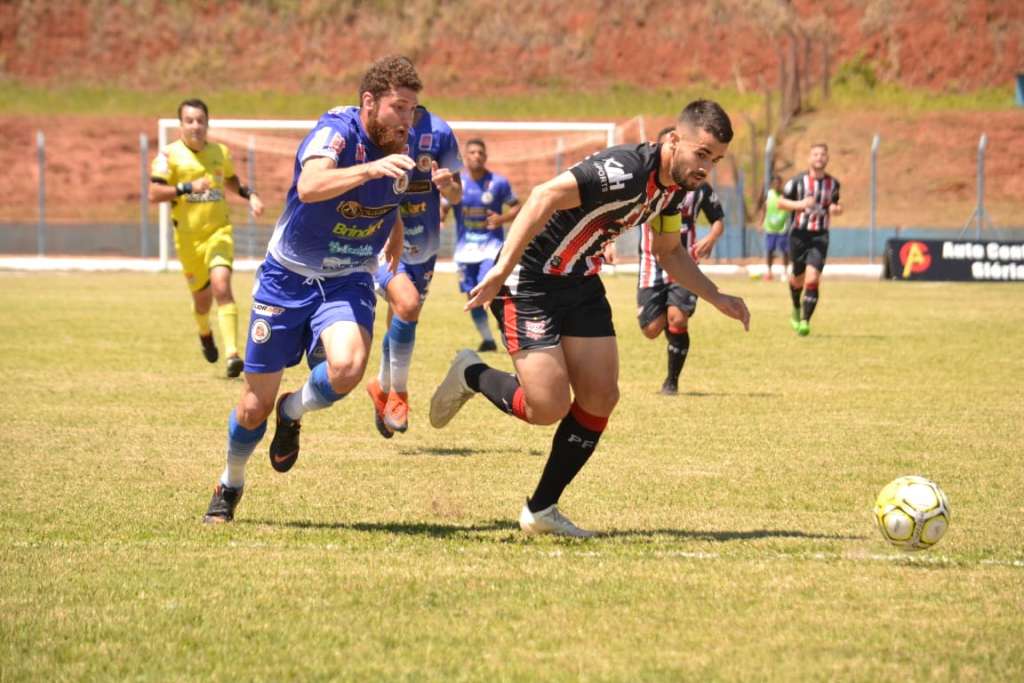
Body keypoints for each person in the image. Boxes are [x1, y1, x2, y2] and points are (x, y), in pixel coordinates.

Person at [429, 100, 750, 537]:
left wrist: (715, 296)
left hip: (580, 283)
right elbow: (543, 195)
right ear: (674, 139)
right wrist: (501, 270)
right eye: (702, 154)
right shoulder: (623, 169)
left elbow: (669, 251)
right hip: (531, 280)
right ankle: (472, 373)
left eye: (715, 160)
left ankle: (541, 510)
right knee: (547, 406)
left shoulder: (675, 187)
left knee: (600, 397)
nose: (706, 168)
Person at [202, 55, 422, 523]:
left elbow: (390, 199)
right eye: (398, 108)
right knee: (252, 406)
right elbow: (311, 184)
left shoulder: (403, 143)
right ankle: (230, 482)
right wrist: (369, 170)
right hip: (287, 279)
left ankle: (294, 410)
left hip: (347, 276)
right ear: (369, 102)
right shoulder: (335, 132)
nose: (407, 120)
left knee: (346, 367)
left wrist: (396, 233)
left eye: (412, 110)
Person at [365, 105, 463, 438]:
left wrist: (447, 186)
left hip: (425, 246)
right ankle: (399, 395)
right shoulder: (376, 127)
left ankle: (382, 386)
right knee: (406, 306)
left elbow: (457, 193)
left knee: (402, 314)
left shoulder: (440, 131)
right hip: (382, 239)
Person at [150, 98, 265, 378]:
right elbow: (154, 193)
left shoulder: (219, 153)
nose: (196, 126)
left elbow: (229, 179)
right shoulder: (168, 156)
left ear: (207, 124)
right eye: (190, 121)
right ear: (180, 125)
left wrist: (250, 195)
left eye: (200, 121)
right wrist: (188, 187)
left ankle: (232, 355)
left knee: (222, 285)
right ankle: (204, 333)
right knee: (202, 301)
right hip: (189, 241)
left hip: (219, 232)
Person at [636, 126, 726, 396]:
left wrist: (711, 236)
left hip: (684, 264)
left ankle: (672, 381)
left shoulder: (699, 187)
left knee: (677, 318)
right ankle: (673, 334)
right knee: (651, 329)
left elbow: (718, 218)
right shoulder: (645, 183)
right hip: (651, 265)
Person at [446, 139, 520, 351]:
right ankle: (488, 340)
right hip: (464, 251)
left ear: (485, 157)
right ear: (465, 157)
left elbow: (517, 207)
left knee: (490, 288)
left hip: (491, 247)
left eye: (480, 152)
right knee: (472, 295)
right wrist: (440, 218)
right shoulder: (457, 184)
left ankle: (508, 331)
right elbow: (444, 205)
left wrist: (501, 219)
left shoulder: (498, 183)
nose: (476, 156)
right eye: (472, 152)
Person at [777, 143, 843, 336]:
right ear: (809, 158)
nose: (819, 157)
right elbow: (780, 203)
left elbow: (837, 205)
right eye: (815, 154)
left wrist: (837, 209)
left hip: (820, 236)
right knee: (797, 279)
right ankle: (796, 307)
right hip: (799, 234)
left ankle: (805, 321)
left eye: (823, 154)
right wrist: (801, 204)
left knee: (813, 278)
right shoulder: (797, 182)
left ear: (827, 158)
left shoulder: (834, 184)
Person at [758, 174, 788, 281]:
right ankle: (769, 272)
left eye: (778, 183)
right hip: (770, 227)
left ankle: (785, 272)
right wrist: (760, 223)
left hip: (783, 227)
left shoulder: (785, 195)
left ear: (781, 184)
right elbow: (763, 209)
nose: (776, 185)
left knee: (785, 251)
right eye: (774, 183)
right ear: (772, 184)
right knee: (770, 250)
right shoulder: (769, 195)